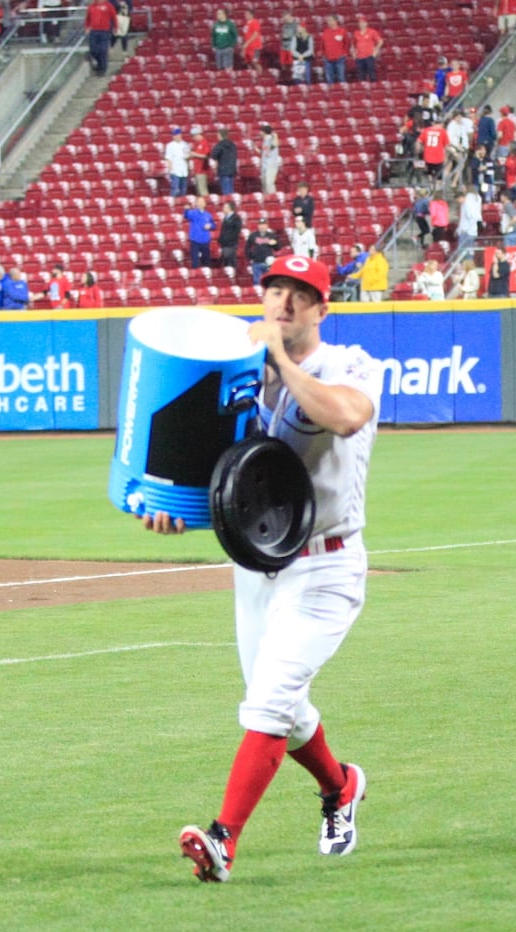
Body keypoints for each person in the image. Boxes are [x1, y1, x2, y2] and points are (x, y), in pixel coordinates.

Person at [146, 255, 381, 883]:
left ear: (321, 309)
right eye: (275, 288)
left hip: (327, 567)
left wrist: (277, 359)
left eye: (300, 294)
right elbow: (225, 469)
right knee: (277, 703)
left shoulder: (350, 364)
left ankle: (223, 840)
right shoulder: (242, 371)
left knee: (270, 703)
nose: (283, 301)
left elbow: (345, 416)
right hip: (257, 567)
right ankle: (341, 786)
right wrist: (178, 507)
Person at [184, 195, 215, 268]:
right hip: (195, 241)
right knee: (195, 262)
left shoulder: (208, 215)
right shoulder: (193, 213)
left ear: (205, 204)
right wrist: (186, 210)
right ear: (196, 204)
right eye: (199, 201)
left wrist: (210, 226)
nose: (201, 203)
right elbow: (186, 215)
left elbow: (214, 225)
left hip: (205, 241)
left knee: (206, 262)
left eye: (202, 201)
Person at [258, 124, 280, 194]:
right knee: (264, 186)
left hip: (271, 166)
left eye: (260, 131)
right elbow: (265, 152)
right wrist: (256, 149)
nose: (259, 133)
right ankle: (267, 202)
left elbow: (275, 144)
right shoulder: (265, 141)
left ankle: (273, 200)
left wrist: (276, 136)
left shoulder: (271, 138)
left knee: (269, 184)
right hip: (265, 167)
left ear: (264, 132)